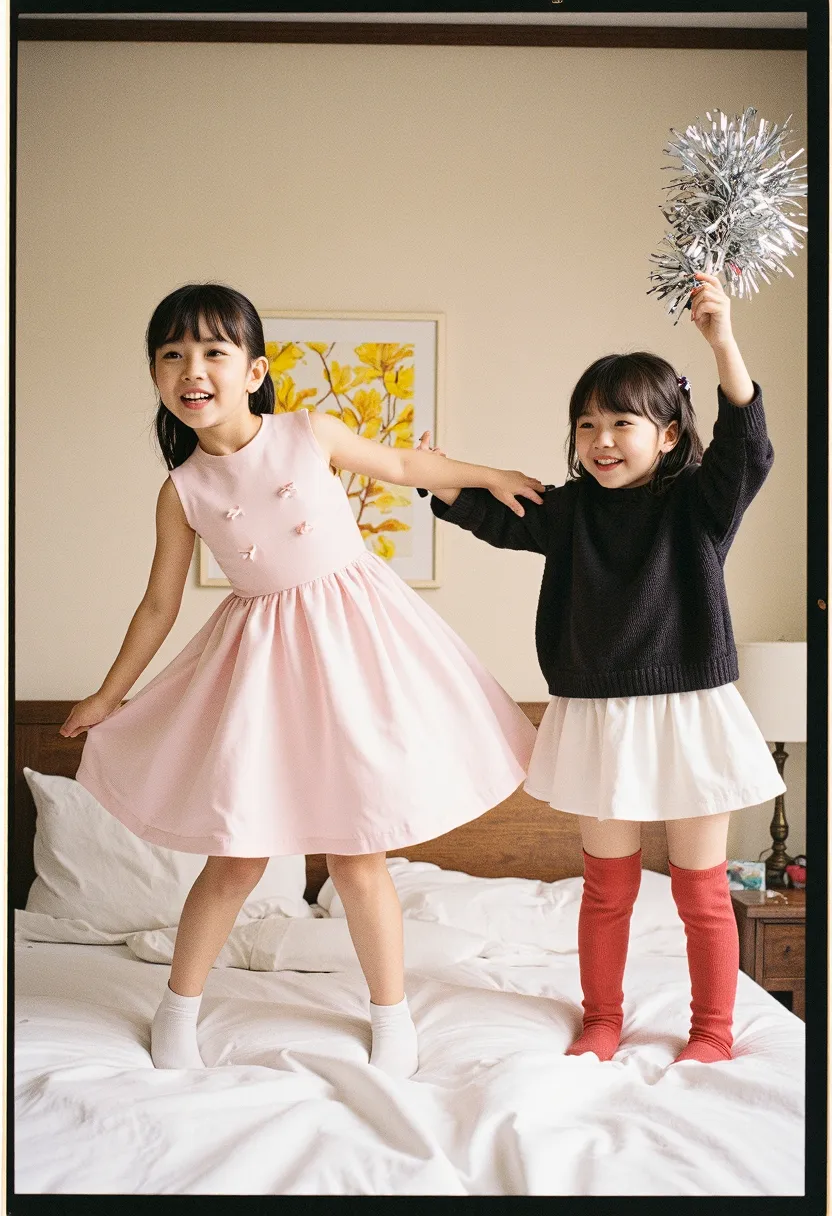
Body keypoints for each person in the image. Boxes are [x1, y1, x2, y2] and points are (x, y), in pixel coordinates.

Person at [61, 283, 542, 1077]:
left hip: (358, 644)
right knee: (239, 854)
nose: (194, 368)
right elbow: (158, 603)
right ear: (156, 375)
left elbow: (399, 462)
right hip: (260, 665)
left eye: (214, 351)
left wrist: (491, 474)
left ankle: (392, 1015)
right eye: (173, 354)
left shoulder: (305, 432)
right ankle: (178, 1008)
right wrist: (109, 696)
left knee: (359, 853)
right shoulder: (181, 491)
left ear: (252, 371)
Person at [421, 272, 785, 1064]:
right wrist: (441, 478)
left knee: (699, 889)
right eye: (587, 424)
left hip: (689, 708)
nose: (601, 439)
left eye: (622, 421)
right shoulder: (571, 512)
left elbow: (747, 445)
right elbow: (491, 514)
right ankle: (603, 1020)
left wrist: (721, 339)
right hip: (597, 713)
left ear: (667, 433)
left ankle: (714, 1033)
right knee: (608, 889)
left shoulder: (699, 502)